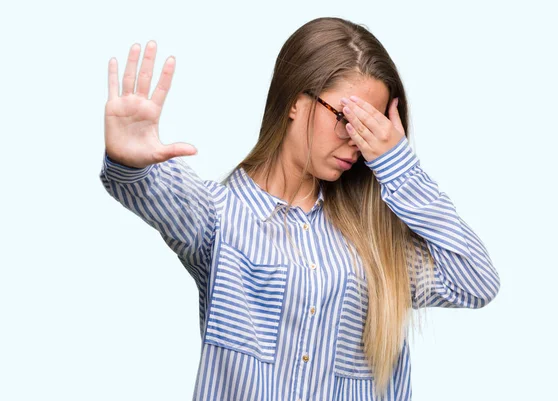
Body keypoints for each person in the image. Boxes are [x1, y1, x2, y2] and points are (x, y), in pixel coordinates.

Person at [99, 16, 500, 401]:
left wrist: (399, 164)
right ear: (295, 101)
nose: (356, 142)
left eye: (371, 128)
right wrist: (129, 160)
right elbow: (150, 189)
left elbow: (477, 281)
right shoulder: (218, 217)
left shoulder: (376, 245)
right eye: (346, 118)